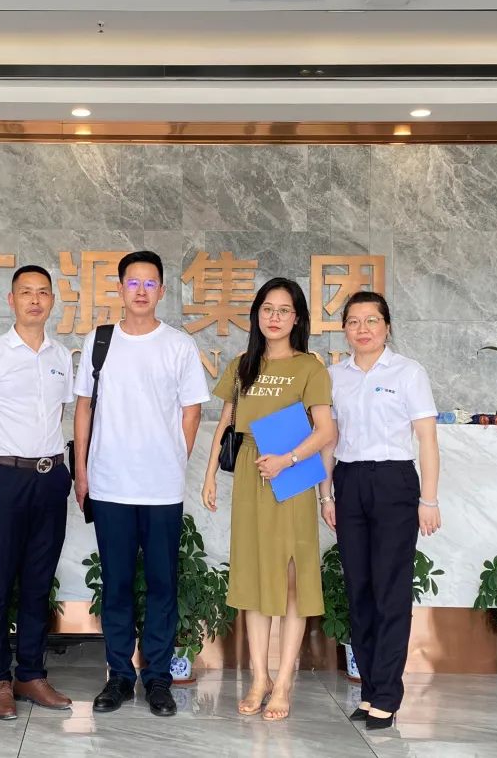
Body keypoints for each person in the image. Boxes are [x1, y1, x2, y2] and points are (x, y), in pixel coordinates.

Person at [73, 250, 210, 717]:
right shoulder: (100, 341)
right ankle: (118, 676)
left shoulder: (178, 345)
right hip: (109, 484)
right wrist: (83, 471)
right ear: (119, 288)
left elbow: (192, 411)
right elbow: (84, 408)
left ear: (162, 291)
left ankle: (158, 679)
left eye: (150, 283)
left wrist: (172, 458)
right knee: (115, 584)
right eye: (133, 282)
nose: (141, 291)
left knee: (161, 585)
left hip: (160, 489)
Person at [201, 277, 337, 721]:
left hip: (291, 476)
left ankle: (284, 681)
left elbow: (326, 430)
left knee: (291, 578)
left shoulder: (310, 367)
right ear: (257, 314)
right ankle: (259, 677)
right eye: (267, 309)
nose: (274, 317)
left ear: (297, 319)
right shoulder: (242, 364)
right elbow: (226, 422)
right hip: (249, 472)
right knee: (255, 576)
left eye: (284, 310)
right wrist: (209, 475)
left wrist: (287, 459)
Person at [0, 265, 76, 721]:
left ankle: (30, 674)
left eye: (43, 292)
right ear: (12, 300)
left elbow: (58, 415)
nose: (35, 300)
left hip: (51, 477)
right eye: (26, 292)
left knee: (38, 582)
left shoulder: (61, 355)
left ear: (52, 302)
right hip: (5, 478)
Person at [320, 291, 441, 730]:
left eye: (372, 320)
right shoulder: (334, 376)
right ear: (344, 330)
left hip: (394, 482)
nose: (363, 329)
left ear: (387, 326)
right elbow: (329, 441)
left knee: (390, 591)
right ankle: (370, 690)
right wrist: (326, 495)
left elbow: (427, 439)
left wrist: (429, 499)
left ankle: (387, 695)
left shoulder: (408, 372)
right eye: (354, 321)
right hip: (349, 482)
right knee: (359, 590)